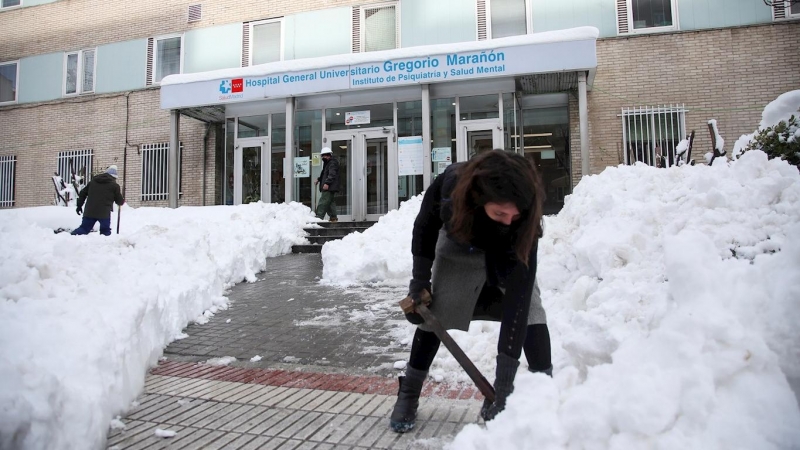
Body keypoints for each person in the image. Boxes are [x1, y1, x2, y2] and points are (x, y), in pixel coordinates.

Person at [389, 150, 553, 433]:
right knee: (435, 317)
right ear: (481, 198)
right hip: (460, 246)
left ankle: (548, 397)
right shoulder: (453, 187)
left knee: (532, 314)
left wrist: (502, 389)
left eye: (513, 215)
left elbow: (519, 300)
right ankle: (409, 393)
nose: (507, 219)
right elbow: (424, 230)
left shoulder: (523, 220)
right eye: (500, 212)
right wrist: (419, 282)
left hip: (508, 251)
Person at [71, 165, 125, 236]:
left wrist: (79, 206)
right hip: (104, 213)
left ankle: (70, 237)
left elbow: (82, 193)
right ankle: (105, 245)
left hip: (90, 211)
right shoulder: (114, 186)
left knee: (84, 228)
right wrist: (122, 201)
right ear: (114, 177)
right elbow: (119, 201)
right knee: (105, 231)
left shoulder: (92, 182)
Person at [314, 147, 340, 222]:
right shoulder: (328, 163)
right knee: (330, 202)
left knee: (324, 201)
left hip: (330, 187)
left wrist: (327, 183)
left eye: (323, 156)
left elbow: (332, 174)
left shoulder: (332, 163)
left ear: (327, 155)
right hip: (330, 186)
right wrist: (319, 179)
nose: (322, 157)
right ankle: (333, 218)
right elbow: (324, 174)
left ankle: (319, 217)